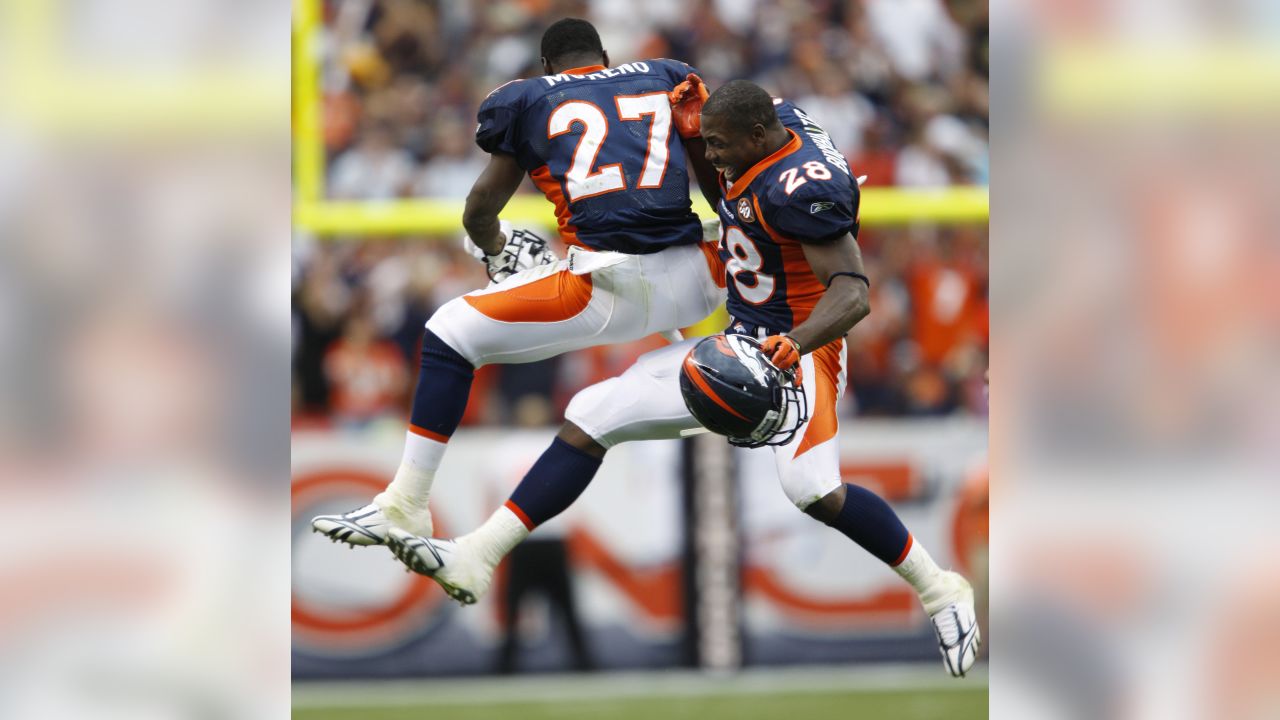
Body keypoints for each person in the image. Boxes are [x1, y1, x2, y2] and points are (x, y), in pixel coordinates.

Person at [383, 80, 982, 678]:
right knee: (594, 412)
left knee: (811, 488)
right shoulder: (766, 126)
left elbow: (852, 295)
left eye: (719, 144)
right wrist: (694, 130)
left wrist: (791, 346)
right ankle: (478, 556)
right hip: (740, 335)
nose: (710, 154)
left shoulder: (801, 186)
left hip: (801, 346)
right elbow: (730, 154)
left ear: (756, 137)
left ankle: (940, 589)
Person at [312, 18, 725, 544]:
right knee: (603, 403)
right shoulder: (665, 76)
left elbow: (479, 209)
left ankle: (405, 504)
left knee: (449, 333)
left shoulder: (530, 98)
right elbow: (718, 189)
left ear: (547, 67)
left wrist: (493, 247)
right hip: (700, 276)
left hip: (609, 287)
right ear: (603, 55)